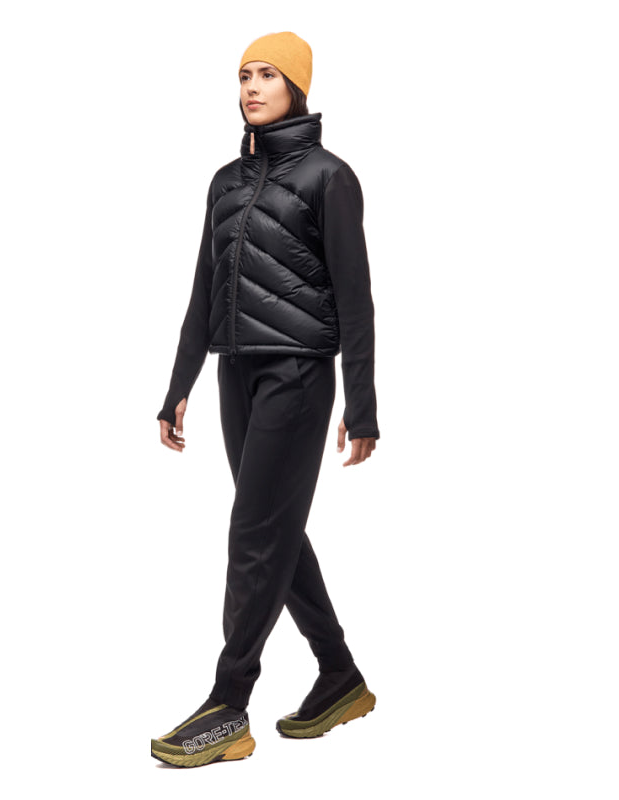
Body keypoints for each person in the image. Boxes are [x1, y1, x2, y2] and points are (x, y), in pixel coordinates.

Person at [151, 31, 380, 768]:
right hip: (235, 374)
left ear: (296, 88)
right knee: (275, 527)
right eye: (244, 75)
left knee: (254, 532)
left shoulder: (329, 177)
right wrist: (178, 386)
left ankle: (229, 705)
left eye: (268, 75)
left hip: (298, 375)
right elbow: (203, 288)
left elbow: (356, 298)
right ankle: (339, 675)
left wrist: (362, 404)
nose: (251, 87)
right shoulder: (225, 181)